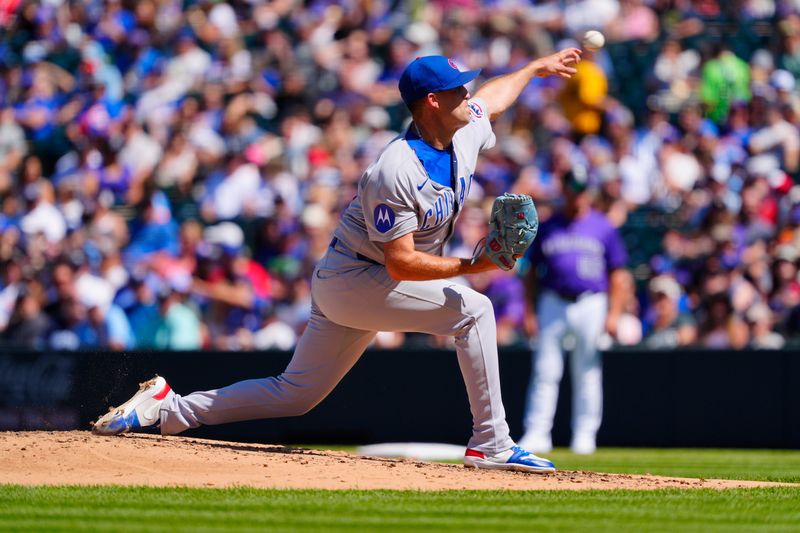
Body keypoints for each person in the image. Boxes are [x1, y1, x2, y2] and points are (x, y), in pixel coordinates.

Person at [92, 50, 583, 473]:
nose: (468, 95)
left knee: (295, 395)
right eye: (458, 89)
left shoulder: (465, 129)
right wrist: (471, 268)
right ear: (432, 101)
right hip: (357, 277)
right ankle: (492, 443)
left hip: (357, 280)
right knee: (474, 309)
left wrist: (535, 67)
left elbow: (495, 97)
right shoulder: (394, 170)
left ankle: (169, 410)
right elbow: (401, 265)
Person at [519, 167, 628, 455]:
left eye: (580, 189)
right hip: (553, 301)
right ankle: (537, 433)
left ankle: (585, 434)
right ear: (564, 190)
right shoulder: (549, 226)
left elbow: (618, 274)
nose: (576, 195)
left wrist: (614, 313)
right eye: (571, 188)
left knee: (588, 371)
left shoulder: (603, 226)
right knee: (545, 371)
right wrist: (529, 312)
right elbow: (530, 273)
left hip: (592, 302)